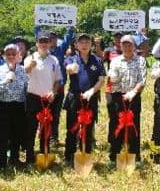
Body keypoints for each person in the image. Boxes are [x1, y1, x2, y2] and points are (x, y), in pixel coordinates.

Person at [63, 33, 105, 164]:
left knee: (88, 127)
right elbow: (68, 69)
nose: (84, 45)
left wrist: (92, 91)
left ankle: (86, 153)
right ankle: (69, 156)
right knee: (72, 127)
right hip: (74, 97)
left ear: (91, 44)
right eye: (81, 42)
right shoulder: (71, 59)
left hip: (90, 98)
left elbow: (102, 78)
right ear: (76, 45)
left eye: (87, 42)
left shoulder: (97, 60)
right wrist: (71, 69)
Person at [23, 31, 62, 164]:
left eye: (46, 42)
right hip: (33, 98)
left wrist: (54, 92)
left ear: (50, 43)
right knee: (30, 128)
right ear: (37, 44)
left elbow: (58, 80)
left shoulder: (54, 60)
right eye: (41, 42)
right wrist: (30, 67)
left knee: (46, 128)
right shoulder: (30, 58)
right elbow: (24, 74)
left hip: (48, 99)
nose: (44, 44)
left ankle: (44, 152)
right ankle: (29, 156)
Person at [107, 35, 147, 162]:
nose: (127, 47)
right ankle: (114, 155)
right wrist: (112, 78)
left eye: (130, 44)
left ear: (134, 46)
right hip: (118, 97)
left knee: (134, 126)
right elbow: (112, 80)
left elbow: (142, 80)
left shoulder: (140, 60)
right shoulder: (115, 61)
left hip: (134, 97)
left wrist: (134, 92)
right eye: (124, 44)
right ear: (120, 46)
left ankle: (135, 156)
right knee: (116, 125)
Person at [0, 44, 28, 170]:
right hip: (3, 106)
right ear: (4, 56)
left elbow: (27, 88)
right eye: (8, 54)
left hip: (18, 105)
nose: (11, 56)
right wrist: (5, 81)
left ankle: (14, 159)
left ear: (18, 55)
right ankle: (0, 162)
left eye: (13, 54)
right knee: (2, 136)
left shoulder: (23, 70)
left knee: (17, 134)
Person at [35, 26, 74, 145]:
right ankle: (43, 136)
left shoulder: (60, 49)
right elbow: (38, 35)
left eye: (55, 38)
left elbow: (68, 38)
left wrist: (70, 27)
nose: (53, 40)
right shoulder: (43, 52)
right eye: (50, 38)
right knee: (43, 113)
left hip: (59, 88)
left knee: (55, 114)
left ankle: (54, 137)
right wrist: (37, 24)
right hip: (44, 88)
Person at [103, 31, 124, 149]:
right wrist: (97, 45)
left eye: (120, 37)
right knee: (113, 115)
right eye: (116, 37)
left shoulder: (129, 49)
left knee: (124, 114)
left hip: (126, 87)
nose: (118, 39)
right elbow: (101, 60)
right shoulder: (109, 50)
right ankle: (112, 139)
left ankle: (123, 139)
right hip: (111, 86)